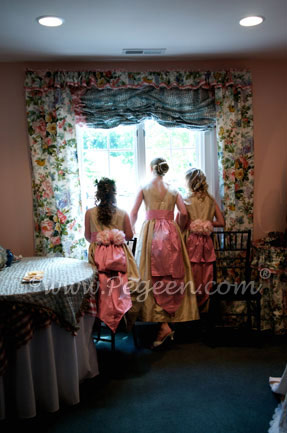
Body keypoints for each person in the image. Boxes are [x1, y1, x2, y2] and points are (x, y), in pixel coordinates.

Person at [130, 157, 199, 348]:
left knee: (151, 275)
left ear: (151, 168)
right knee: (172, 274)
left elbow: (134, 212)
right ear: (164, 171)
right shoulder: (173, 188)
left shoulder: (144, 187)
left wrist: (132, 229)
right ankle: (168, 320)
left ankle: (162, 323)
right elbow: (184, 213)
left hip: (152, 232)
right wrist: (179, 228)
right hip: (171, 232)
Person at [84, 177, 139, 333]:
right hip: (119, 257)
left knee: (97, 283)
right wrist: (115, 237)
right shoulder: (122, 213)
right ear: (114, 194)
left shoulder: (89, 213)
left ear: (98, 194)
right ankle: (121, 316)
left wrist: (101, 239)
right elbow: (129, 235)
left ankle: (97, 320)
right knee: (124, 280)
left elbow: (88, 237)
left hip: (97, 257)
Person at [180, 168, 224, 313]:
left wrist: (193, 225)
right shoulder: (211, 200)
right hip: (207, 243)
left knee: (191, 274)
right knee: (206, 275)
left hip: (190, 242)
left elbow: (180, 224)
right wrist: (207, 223)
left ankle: (191, 310)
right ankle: (203, 309)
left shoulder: (186, 201)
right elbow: (221, 222)